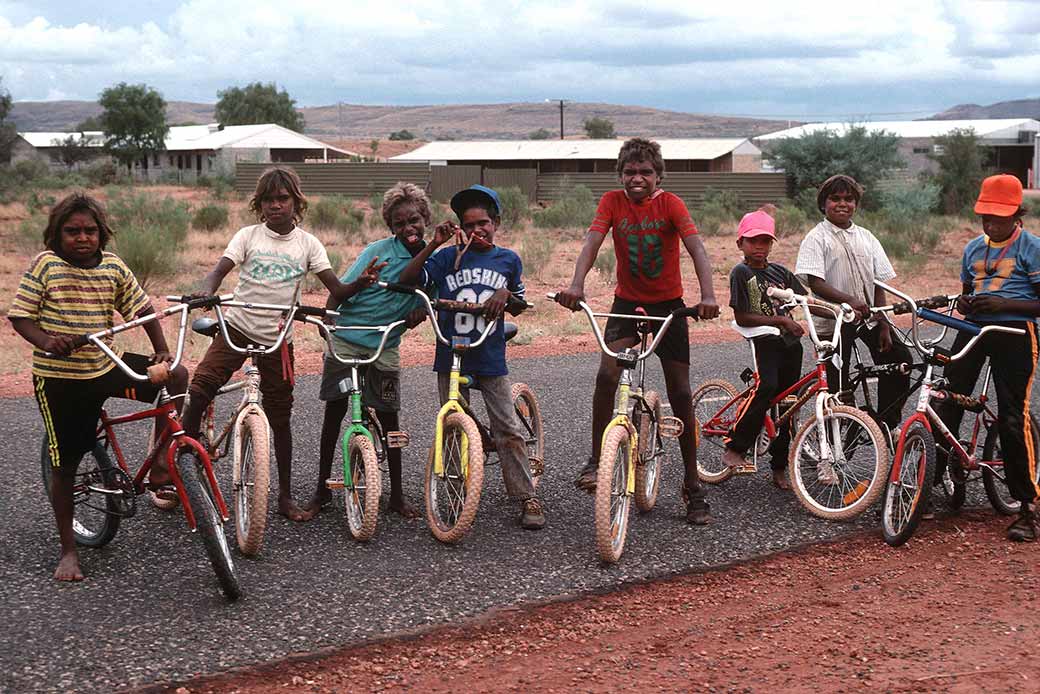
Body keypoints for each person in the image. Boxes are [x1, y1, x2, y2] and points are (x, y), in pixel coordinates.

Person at [180, 166, 384, 522]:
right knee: (199, 389)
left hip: (278, 337)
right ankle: (180, 462)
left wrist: (361, 284)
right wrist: (207, 291)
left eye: (282, 199)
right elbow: (219, 270)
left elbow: (336, 290)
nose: (276, 206)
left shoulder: (308, 244)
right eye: (268, 200)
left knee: (280, 418)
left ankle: (285, 497)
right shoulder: (248, 236)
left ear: (295, 203)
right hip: (237, 327)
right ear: (259, 205)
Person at [9, 193, 188, 581]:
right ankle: (69, 550)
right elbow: (20, 317)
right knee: (66, 464)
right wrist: (46, 341)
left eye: (90, 230)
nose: (82, 238)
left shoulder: (112, 266)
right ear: (56, 234)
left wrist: (160, 351)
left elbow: (141, 309)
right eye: (72, 231)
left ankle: (160, 468)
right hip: (62, 380)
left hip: (106, 366)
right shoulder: (46, 265)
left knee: (176, 376)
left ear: (102, 234)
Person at [554, 137, 719, 525]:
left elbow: (697, 249)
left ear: (658, 175)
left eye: (645, 172)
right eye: (630, 172)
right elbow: (592, 241)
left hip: (670, 307)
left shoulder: (671, 204)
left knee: (680, 392)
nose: (637, 178)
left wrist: (709, 295)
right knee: (606, 375)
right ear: (620, 175)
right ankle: (597, 460)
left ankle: (693, 485)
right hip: (627, 305)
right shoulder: (612, 202)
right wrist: (576, 284)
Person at [398, 185, 545, 530]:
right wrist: (434, 243)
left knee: (507, 427)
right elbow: (408, 281)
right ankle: (454, 490)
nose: (476, 230)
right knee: (452, 426)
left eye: (483, 223)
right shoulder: (447, 258)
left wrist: (506, 294)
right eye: (469, 224)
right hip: (450, 350)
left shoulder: (507, 259)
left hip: (489, 352)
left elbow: (520, 304)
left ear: (495, 223)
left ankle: (527, 496)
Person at [304, 182, 430, 520]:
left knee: (390, 417)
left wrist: (417, 315)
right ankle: (321, 490)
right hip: (346, 337)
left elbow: (424, 300)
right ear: (390, 227)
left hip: (384, 343)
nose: (409, 228)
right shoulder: (378, 252)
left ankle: (398, 495)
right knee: (335, 412)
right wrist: (329, 324)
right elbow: (340, 292)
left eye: (414, 220)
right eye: (400, 223)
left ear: (426, 219)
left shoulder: (431, 260)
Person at [937, 174, 1040, 541]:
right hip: (975, 328)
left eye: (999, 217)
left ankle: (1027, 508)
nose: (991, 223)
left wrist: (1006, 304)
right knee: (944, 397)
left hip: (1014, 330)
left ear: (1017, 214)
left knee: (1012, 416)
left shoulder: (1032, 247)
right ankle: (930, 480)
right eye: (986, 217)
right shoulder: (971, 250)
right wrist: (966, 302)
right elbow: (966, 292)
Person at [794, 174, 912, 434]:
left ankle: (884, 423)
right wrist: (849, 300)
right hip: (834, 320)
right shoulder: (816, 238)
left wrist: (882, 321)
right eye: (835, 199)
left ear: (856, 204)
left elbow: (879, 282)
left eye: (849, 199)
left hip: (869, 317)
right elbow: (815, 283)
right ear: (823, 204)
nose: (842, 204)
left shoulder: (867, 237)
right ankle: (836, 445)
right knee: (837, 382)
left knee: (901, 360)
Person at [723, 210, 807, 490]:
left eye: (765, 242)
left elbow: (804, 298)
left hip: (789, 343)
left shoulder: (781, 272)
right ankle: (737, 445)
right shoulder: (741, 272)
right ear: (740, 244)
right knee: (767, 386)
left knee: (789, 402)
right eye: (753, 241)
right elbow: (743, 317)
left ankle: (780, 465)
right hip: (763, 339)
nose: (759, 247)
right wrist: (781, 319)